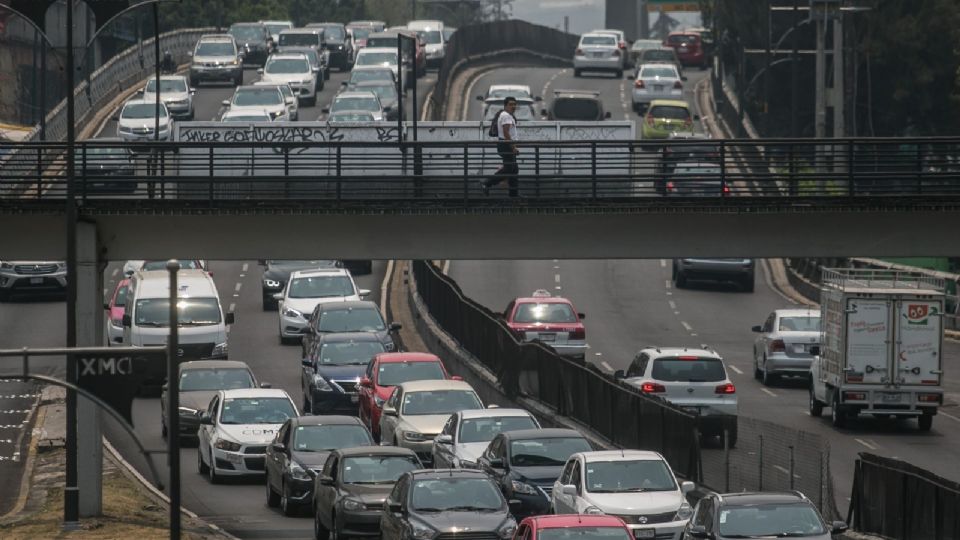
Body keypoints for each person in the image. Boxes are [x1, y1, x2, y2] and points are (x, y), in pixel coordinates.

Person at [481, 96, 519, 197]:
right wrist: (513, 147)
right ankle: (487, 183)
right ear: (505, 106)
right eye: (511, 104)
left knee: (514, 169)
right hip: (505, 145)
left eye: (514, 104)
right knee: (509, 169)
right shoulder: (506, 116)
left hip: (504, 144)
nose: (513, 106)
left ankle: (513, 194)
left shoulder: (505, 115)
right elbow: (506, 132)